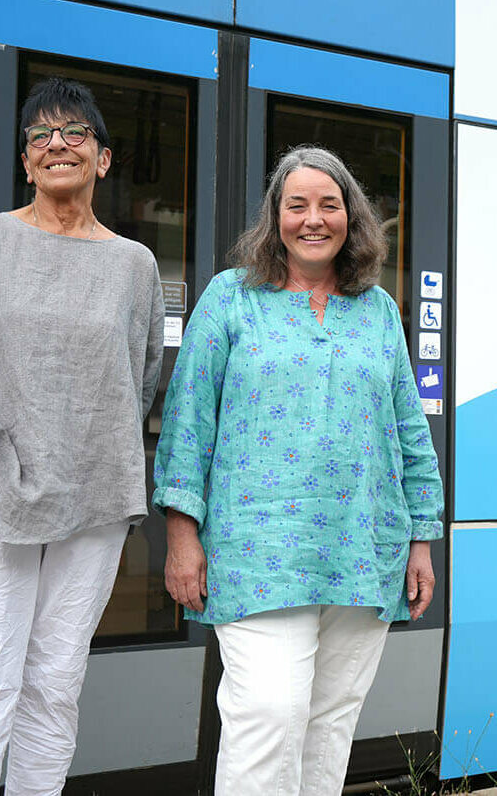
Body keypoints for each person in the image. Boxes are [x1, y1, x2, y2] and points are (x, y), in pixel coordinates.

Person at [152, 145, 444, 796]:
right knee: (268, 715)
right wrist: (181, 533)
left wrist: (421, 539)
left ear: (351, 218)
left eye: (329, 205)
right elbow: (188, 419)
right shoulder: (231, 299)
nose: (313, 219)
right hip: (256, 555)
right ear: (274, 218)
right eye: (297, 205)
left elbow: (407, 431)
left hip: (363, 551)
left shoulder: (374, 312)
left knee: (329, 726)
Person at [0, 78, 164, 794]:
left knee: (55, 680)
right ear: (25, 162)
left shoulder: (134, 265)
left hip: (97, 486)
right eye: (40, 135)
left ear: (104, 159)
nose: (57, 144)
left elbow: (141, 373)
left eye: (74, 132)